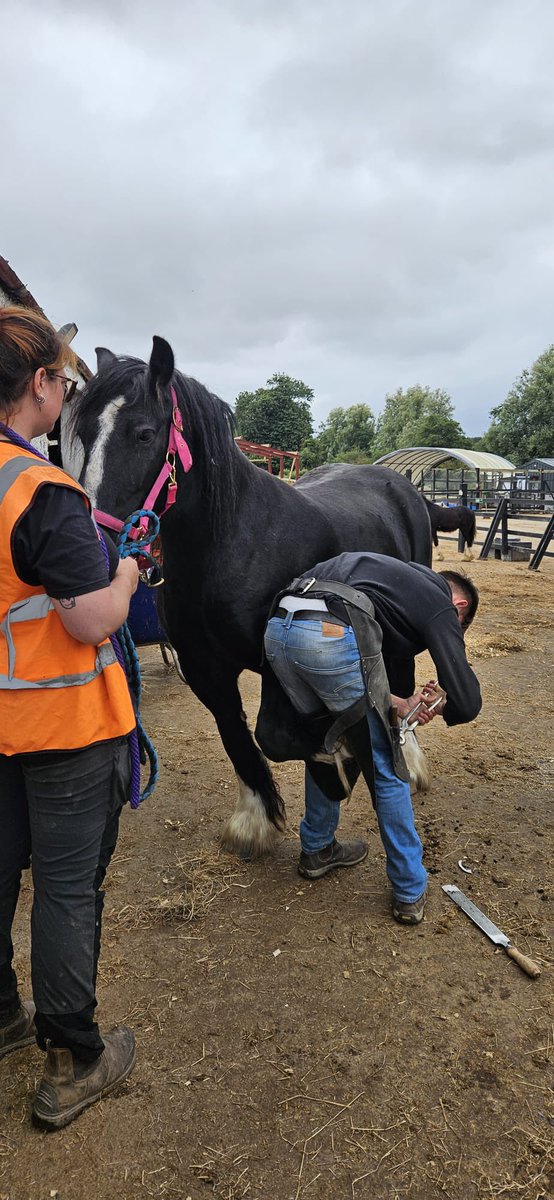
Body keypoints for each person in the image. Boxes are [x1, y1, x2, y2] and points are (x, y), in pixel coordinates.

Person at [0, 306, 140, 1130]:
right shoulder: (40, 492)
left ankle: (3, 1016)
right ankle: (73, 1055)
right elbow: (89, 620)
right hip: (63, 732)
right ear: (42, 386)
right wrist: (124, 576)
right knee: (64, 889)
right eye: (60, 377)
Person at [263, 551, 482, 925]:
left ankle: (317, 848)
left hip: (281, 627)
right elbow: (467, 700)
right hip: (333, 632)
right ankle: (410, 889)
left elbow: (357, 686)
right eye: (457, 624)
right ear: (458, 606)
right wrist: (442, 704)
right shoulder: (437, 599)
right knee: (385, 760)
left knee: (325, 742)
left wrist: (406, 703)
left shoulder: (388, 579)